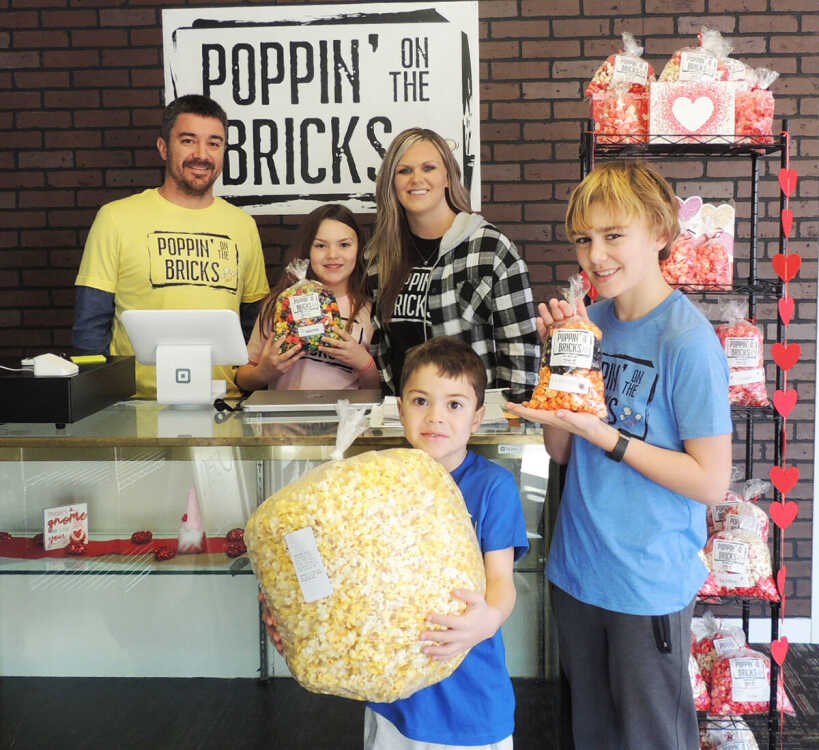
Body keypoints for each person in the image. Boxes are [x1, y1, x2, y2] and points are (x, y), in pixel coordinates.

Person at [506, 161, 733, 750]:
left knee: (651, 738)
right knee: (592, 735)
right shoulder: (592, 324)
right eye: (584, 240)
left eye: (613, 236)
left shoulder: (686, 341)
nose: (595, 256)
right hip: (578, 570)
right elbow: (562, 450)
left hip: (646, 581)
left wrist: (607, 435)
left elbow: (711, 482)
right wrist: (560, 367)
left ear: (659, 232)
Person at [262, 335, 529, 749]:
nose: (435, 417)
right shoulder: (377, 482)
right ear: (400, 409)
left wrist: (488, 620)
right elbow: (344, 576)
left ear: (477, 418)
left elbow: (501, 582)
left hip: (468, 695)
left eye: (454, 405)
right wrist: (298, 619)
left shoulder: (493, 486)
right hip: (391, 699)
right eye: (421, 401)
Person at [72, 94, 269, 399]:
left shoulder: (243, 225)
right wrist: (97, 399)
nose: (201, 154)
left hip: (222, 403)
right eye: (188, 141)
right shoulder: (115, 218)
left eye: (214, 143)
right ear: (164, 147)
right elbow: (90, 325)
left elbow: (254, 324)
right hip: (136, 404)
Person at [365, 126, 539, 402]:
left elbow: (520, 346)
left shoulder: (490, 248)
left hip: (473, 418)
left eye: (429, 168)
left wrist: (513, 415)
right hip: (404, 416)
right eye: (404, 171)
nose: (416, 179)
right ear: (392, 183)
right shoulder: (380, 258)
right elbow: (382, 350)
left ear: (448, 177)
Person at [235, 204, 377, 391]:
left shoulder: (371, 310)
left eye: (344, 245)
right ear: (307, 249)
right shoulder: (281, 304)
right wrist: (263, 372)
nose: (332, 255)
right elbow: (242, 378)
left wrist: (365, 364)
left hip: (346, 410)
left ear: (359, 249)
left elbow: (378, 393)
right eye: (320, 245)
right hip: (284, 409)